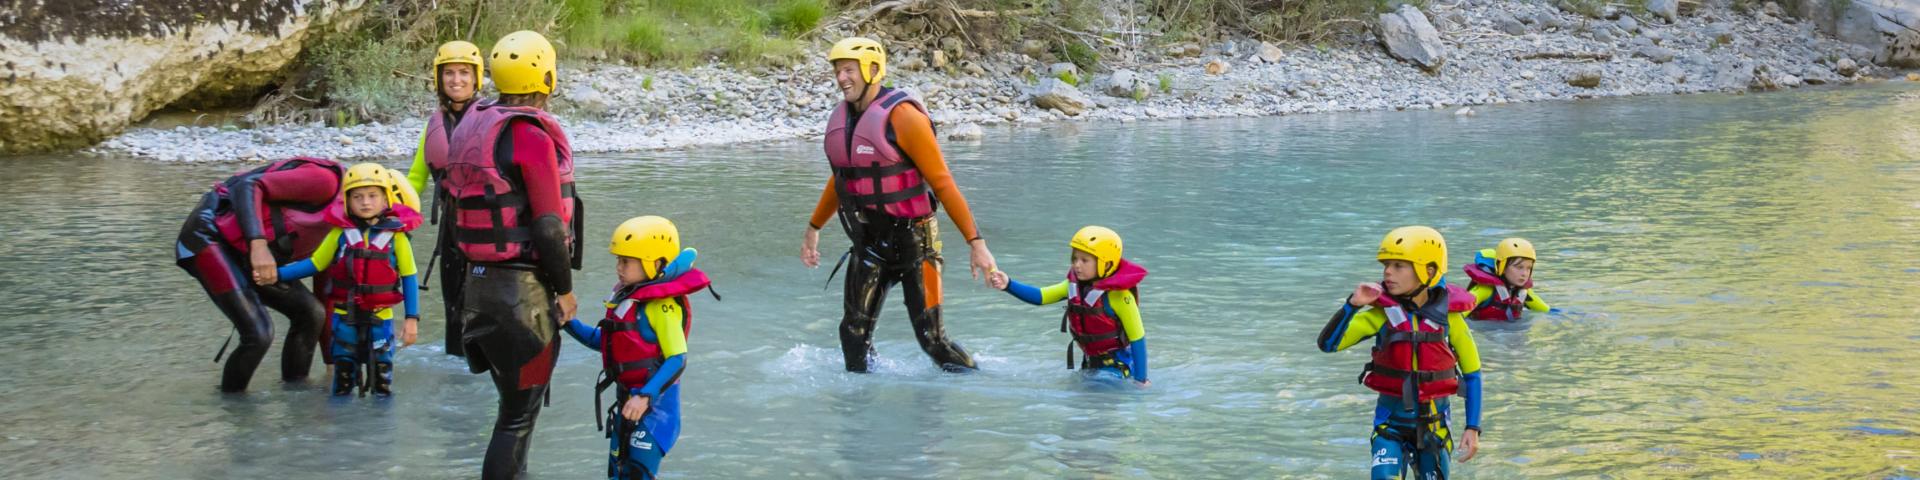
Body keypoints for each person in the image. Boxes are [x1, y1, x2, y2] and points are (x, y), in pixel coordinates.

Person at [798, 36, 997, 373]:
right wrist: (813, 229)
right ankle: (862, 415)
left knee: (932, 341)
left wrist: (976, 244)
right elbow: (843, 180)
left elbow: (943, 183)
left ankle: (978, 385)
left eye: (849, 70)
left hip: (916, 244)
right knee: (852, 334)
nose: (841, 78)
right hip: (870, 242)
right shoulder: (843, 119)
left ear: (873, 70)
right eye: (837, 71)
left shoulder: (904, 116)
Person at [441, 30, 581, 479]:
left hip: (477, 294)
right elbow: (547, 225)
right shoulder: (528, 135)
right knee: (517, 418)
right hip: (522, 303)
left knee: (511, 411)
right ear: (546, 76)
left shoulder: (473, 124)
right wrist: (565, 290)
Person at [1316, 226, 1484, 479]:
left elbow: (1473, 375)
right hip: (1389, 426)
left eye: (1398, 265)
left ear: (1428, 270)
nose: (1387, 272)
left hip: (1434, 429)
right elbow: (1328, 344)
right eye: (1386, 265)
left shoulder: (1452, 320)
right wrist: (1351, 305)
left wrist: (1472, 428)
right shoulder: (1381, 316)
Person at [558, 216, 714, 479]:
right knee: (616, 474)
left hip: (656, 414)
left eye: (626, 261)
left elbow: (677, 358)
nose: (619, 267)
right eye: (618, 260)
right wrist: (566, 323)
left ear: (656, 262)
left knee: (636, 474)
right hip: (626, 405)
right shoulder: (626, 299)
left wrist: (645, 396)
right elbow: (605, 343)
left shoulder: (662, 307)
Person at [175, 156, 345, 393]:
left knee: (311, 313)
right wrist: (258, 245)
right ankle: (234, 410)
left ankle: (296, 396)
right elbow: (250, 185)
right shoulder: (325, 182)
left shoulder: (349, 231)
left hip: (249, 251)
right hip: (209, 234)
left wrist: (331, 363)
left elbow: (327, 297)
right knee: (258, 333)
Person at [276, 163, 425, 396]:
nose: (365, 202)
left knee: (381, 379)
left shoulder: (397, 238)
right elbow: (315, 264)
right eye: (357, 197)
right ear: (347, 201)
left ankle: (380, 426)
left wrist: (411, 320)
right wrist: (276, 275)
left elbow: (409, 277)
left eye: (372, 196)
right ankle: (340, 428)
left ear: (386, 199)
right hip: (345, 317)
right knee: (343, 377)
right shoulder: (339, 234)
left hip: (381, 317)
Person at [988, 226, 1150, 386]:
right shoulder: (1073, 286)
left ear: (1106, 264)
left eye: (1084, 260)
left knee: (1092, 394)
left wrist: (1141, 380)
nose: (1077, 265)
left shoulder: (1120, 297)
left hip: (1117, 369)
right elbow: (1040, 296)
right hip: (1091, 365)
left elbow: (1137, 339)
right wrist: (1008, 284)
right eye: (1075, 258)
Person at [406, 40, 485, 356]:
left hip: (487, 228)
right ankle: (457, 373)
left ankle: (486, 368)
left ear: (476, 77)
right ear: (439, 79)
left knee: (483, 305)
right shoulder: (434, 125)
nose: (457, 80)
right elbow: (416, 179)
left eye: (464, 72)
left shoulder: (492, 116)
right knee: (454, 306)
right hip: (451, 228)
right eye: (449, 73)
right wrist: (393, 218)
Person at [1461, 238, 1550, 322]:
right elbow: (1458, 315)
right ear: (1502, 268)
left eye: (1529, 268)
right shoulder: (1484, 290)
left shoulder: (1524, 293)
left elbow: (1548, 312)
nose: (1524, 273)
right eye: (1519, 267)